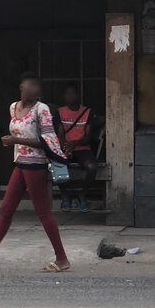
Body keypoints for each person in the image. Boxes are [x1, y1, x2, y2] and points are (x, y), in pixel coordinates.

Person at [0, 72, 70, 273]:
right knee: (5, 210)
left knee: (43, 213)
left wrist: (15, 140)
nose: (35, 89)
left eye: (37, 86)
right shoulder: (13, 107)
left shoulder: (42, 109)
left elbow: (48, 141)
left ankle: (62, 259)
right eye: (31, 85)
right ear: (21, 87)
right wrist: (14, 142)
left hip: (36, 165)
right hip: (20, 163)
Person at [56, 83, 99, 213]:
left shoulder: (87, 112)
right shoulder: (59, 112)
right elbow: (60, 134)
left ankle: (82, 194)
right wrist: (65, 147)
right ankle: (65, 195)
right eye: (67, 93)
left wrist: (75, 143)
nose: (70, 96)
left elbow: (88, 137)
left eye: (73, 93)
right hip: (65, 147)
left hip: (82, 148)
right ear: (64, 96)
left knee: (92, 167)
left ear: (78, 95)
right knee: (57, 166)